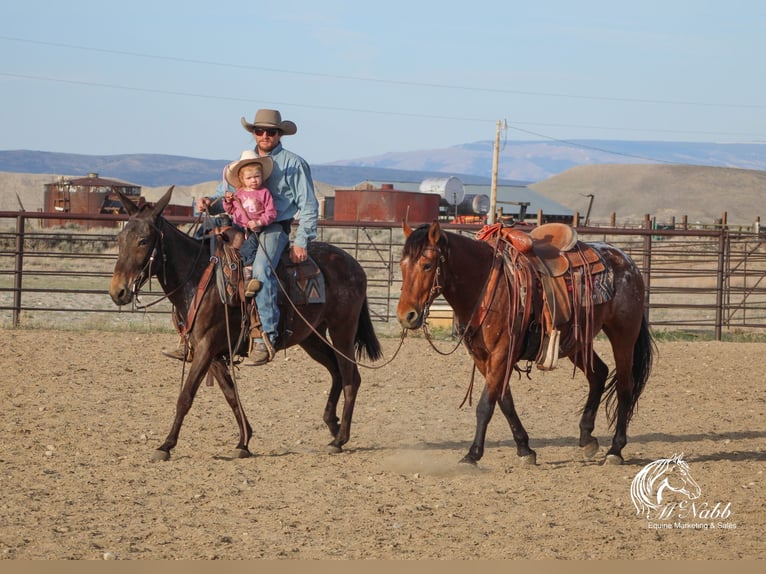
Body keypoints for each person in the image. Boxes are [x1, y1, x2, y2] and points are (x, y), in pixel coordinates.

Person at [197, 109, 319, 366]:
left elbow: (308, 205)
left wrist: (301, 241)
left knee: (262, 270)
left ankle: (266, 336)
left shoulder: (293, 164)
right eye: (259, 130)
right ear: (253, 132)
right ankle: (202, 332)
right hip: (242, 228)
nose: (265, 135)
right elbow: (223, 197)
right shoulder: (241, 164)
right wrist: (210, 202)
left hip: (274, 228)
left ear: (279, 134)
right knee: (207, 262)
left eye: (271, 131)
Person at [221, 151, 276, 296]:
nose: (254, 180)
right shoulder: (239, 193)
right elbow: (231, 210)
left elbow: (271, 213)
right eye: (249, 178)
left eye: (257, 177)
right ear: (242, 179)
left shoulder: (264, 193)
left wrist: (259, 222)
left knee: (250, 245)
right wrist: (227, 202)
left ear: (262, 177)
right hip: (238, 225)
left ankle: (248, 273)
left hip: (255, 228)